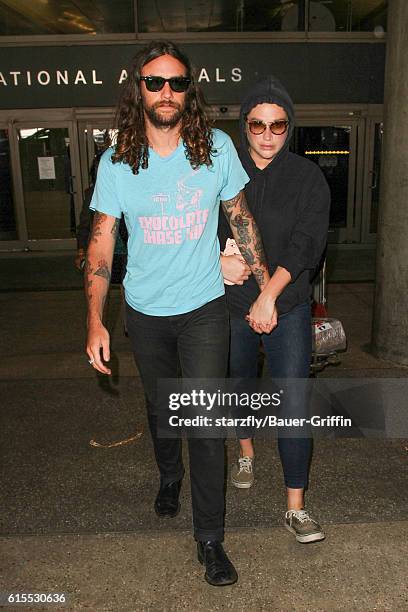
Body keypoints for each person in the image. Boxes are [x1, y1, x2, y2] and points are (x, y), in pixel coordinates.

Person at [85, 41, 274, 586]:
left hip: (204, 308)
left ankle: (210, 539)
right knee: (161, 406)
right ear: (138, 89)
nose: (166, 92)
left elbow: (241, 219)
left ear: (190, 89)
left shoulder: (215, 148)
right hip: (144, 312)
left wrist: (266, 290)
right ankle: (169, 474)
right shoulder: (117, 161)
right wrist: (95, 320)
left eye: (176, 82)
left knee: (206, 423)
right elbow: (101, 245)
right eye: (154, 82)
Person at [218, 76, 330, 543]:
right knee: (240, 383)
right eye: (257, 124)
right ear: (244, 126)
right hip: (232, 304)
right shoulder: (224, 173)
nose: (267, 135)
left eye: (278, 125)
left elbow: (308, 244)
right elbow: (200, 229)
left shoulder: (307, 178)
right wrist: (219, 260)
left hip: (289, 306)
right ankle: (245, 450)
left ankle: (296, 506)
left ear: (290, 127)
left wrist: (270, 295)